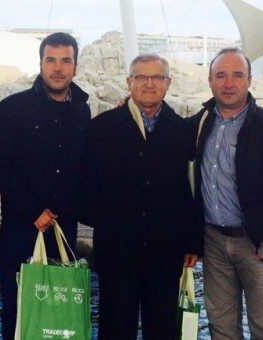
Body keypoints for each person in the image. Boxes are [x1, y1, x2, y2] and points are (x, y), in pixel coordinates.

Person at [189, 47, 263, 339]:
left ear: (249, 80)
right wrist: (129, 106)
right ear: (210, 80)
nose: (228, 83)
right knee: (221, 326)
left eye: (237, 75)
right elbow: (164, 133)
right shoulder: (200, 123)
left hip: (258, 245)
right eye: (221, 75)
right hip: (214, 242)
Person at [80, 53, 203, 339]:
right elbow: (86, 188)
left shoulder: (183, 132)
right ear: (128, 81)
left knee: (161, 330)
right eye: (141, 77)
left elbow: (190, 192)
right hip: (116, 253)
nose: (149, 83)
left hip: (166, 253)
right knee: (115, 328)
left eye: (157, 77)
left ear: (168, 83)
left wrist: (192, 242)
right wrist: (111, 222)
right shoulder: (101, 128)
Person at [0, 32, 91, 340]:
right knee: (19, 307)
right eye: (51, 60)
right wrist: (34, 211)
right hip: (22, 226)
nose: (58, 68)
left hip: (64, 227)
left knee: (60, 311)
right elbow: (0, 168)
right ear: (40, 64)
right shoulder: (13, 107)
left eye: (66, 60)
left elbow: (82, 168)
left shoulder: (82, 110)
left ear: (75, 66)